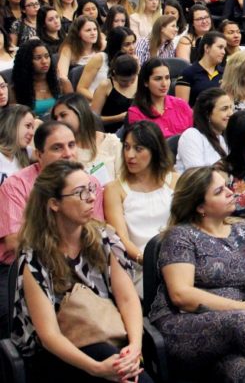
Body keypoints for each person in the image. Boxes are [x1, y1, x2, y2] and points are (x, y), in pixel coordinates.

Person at [148, 166, 245, 381]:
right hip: (183, 327)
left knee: (244, 372)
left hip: (238, 329)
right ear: (200, 206)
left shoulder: (243, 230)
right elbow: (181, 295)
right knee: (241, 321)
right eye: (219, 191)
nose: (231, 192)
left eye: (226, 187)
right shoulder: (181, 236)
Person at [11, 160, 150, 381]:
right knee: (112, 361)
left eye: (91, 189)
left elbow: (127, 299)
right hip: (60, 354)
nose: (92, 198)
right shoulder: (34, 257)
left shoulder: (105, 238)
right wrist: (97, 368)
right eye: (80, 193)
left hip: (109, 338)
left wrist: (134, 348)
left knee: (120, 362)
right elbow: (49, 336)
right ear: (54, 203)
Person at [0, 122, 98, 326]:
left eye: (72, 145)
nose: (68, 154)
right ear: (38, 154)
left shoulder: (90, 183)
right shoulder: (16, 185)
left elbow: (97, 231)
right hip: (22, 268)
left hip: (80, 266)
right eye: (57, 148)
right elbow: (14, 242)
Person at [103, 121, 177, 292]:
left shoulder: (175, 181)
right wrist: (145, 260)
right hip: (138, 265)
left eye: (138, 149)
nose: (130, 155)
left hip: (176, 258)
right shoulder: (115, 189)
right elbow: (121, 238)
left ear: (154, 150)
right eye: (127, 147)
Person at [51, 94, 122, 185]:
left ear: (80, 113)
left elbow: (124, 180)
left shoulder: (111, 142)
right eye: (56, 118)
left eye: (63, 115)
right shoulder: (64, 152)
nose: (58, 121)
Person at [127, 57, 193, 137]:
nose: (164, 84)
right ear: (146, 82)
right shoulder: (136, 113)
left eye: (167, 78)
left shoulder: (181, 105)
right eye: (158, 79)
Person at [9, 38, 72, 116]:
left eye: (47, 56)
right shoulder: (15, 90)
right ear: (26, 61)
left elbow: (74, 110)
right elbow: (15, 119)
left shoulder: (63, 83)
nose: (44, 61)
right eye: (38, 58)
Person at [175, 87, 232, 172]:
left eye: (231, 107)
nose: (231, 113)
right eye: (224, 109)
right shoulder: (192, 136)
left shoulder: (221, 139)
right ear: (207, 114)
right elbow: (198, 177)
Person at [174, 30, 226, 106]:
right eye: (220, 47)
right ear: (207, 48)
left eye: (224, 48)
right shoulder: (188, 73)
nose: (223, 52)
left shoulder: (225, 74)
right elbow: (182, 109)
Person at [0, 105, 34, 187]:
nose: (32, 133)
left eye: (33, 128)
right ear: (11, 124)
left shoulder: (26, 152)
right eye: (28, 126)